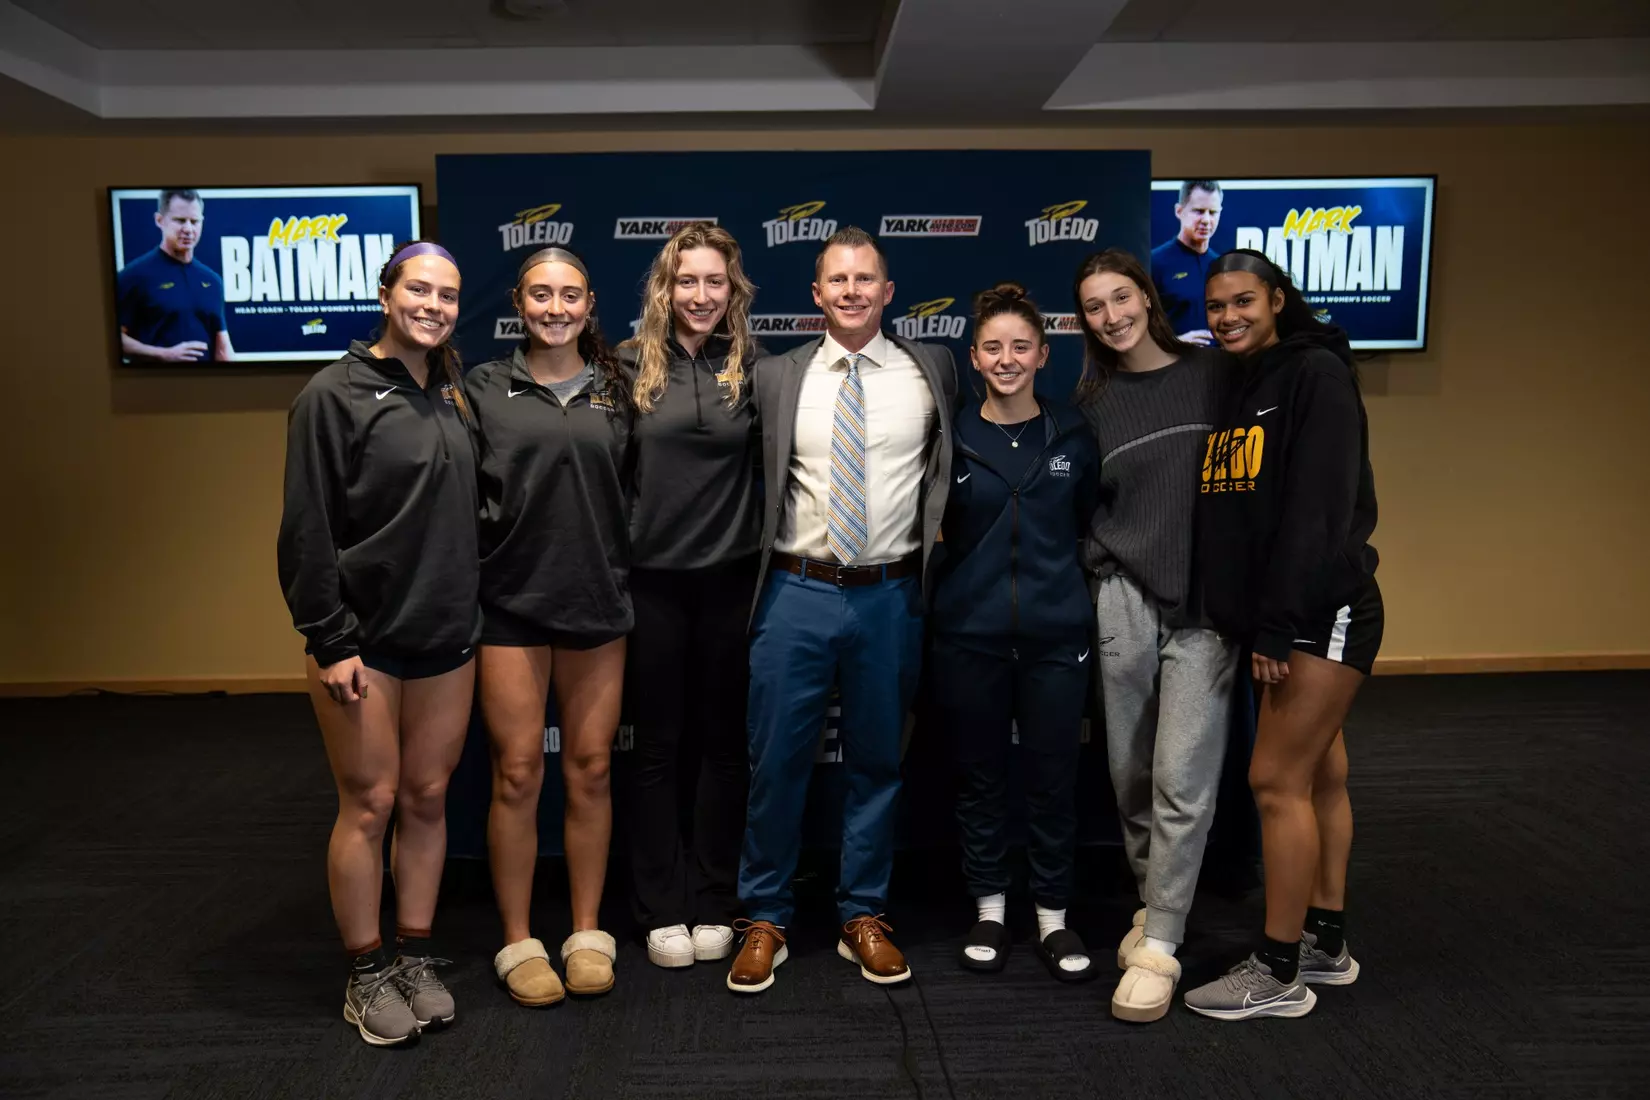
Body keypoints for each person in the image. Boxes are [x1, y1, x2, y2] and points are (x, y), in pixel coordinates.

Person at [727, 226, 957, 994]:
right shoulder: (778, 375)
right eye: (838, 280)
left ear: (888, 293)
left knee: (876, 763)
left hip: (891, 594)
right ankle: (765, 916)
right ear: (816, 294)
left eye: (867, 279)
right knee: (776, 763)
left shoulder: (933, 372)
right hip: (796, 589)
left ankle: (864, 911)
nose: (853, 291)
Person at [276, 240, 477, 1047]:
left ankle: (415, 955)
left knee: (428, 800)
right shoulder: (334, 394)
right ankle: (365, 973)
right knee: (370, 804)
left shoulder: (456, 390)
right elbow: (306, 529)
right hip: (364, 643)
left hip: (448, 636)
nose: (434, 305)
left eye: (449, 294)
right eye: (419, 289)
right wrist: (329, 639)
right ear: (386, 293)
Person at [1182, 248, 1381, 1021]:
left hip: (1315, 614)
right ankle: (1325, 941)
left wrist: (1277, 625)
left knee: (1275, 782)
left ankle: (1278, 970)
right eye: (1217, 306)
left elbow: (1318, 514)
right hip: (1283, 617)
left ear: (1276, 299)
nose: (1228, 316)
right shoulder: (1241, 382)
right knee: (1321, 775)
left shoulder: (1314, 375)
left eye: (1243, 302)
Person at [1072, 248, 1239, 1023]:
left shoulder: (1212, 377)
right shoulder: (1092, 400)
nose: (1112, 316)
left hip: (1204, 605)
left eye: (1121, 297)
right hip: (1122, 599)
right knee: (1129, 771)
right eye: (1095, 307)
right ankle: (1152, 899)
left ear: (1146, 296)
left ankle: (1163, 943)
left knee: (1182, 776)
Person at [469, 247, 634, 1006]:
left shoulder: (622, 389)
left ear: (590, 302)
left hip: (598, 604)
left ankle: (587, 929)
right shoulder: (481, 389)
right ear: (519, 301)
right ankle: (516, 937)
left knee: (592, 770)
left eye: (570, 294)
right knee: (516, 772)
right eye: (541, 294)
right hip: (510, 607)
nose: (556, 307)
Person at [929, 283, 1100, 984]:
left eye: (1019, 347)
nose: (1007, 359)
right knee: (979, 777)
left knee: (1054, 778)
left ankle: (1054, 918)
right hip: (969, 636)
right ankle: (991, 910)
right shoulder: (953, 436)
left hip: (1058, 637)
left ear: (1042, 355)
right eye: (993, 347)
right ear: (974, 357)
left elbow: (1086, 521)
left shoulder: (1073, 434)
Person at [619, 224, 762, 969]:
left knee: (724, 750)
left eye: (713, 282)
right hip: (652, 587)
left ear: (732, 289)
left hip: (734, 584)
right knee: (655, 751)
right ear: (664, 289)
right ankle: (661, 905)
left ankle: (713, 898)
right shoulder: (625, 367)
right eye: (686, 282)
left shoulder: (758, 369)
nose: (700, 296)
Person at [117, 188, 235, 363]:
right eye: (180, 221)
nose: (188, 229)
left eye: (194, 221)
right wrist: (164, 354)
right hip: (153, 386)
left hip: (208, 387)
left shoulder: (212, 281)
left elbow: (223, 350)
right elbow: (112, 341)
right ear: (159, 220)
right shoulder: (133, 276)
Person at [1149, 179, 1223, 347]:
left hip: (1217, 369)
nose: (1206, 219)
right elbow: (1136, 331)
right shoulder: (1154, 263)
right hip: (1173, 369)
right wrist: (1177, 343)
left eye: (1212, 212)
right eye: (1198, 211)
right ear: (1179, 211)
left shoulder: (1221, 265)